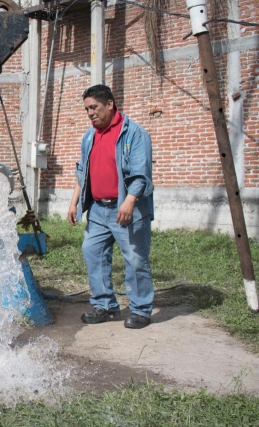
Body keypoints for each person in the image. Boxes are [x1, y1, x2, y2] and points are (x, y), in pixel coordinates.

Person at [67, 84, 155, 329]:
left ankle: (141, 310)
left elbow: (141, 174)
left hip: (127, 208)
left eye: (93, 107)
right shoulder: (89, 136)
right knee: (92, 252)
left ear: (110, 104)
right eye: (86, 109)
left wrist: (129, 201)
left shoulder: (134, 134)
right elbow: (82, 172)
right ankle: (105, 306)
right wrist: (74, 202)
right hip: (97, 209)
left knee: (136, 259)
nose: (90, 113)